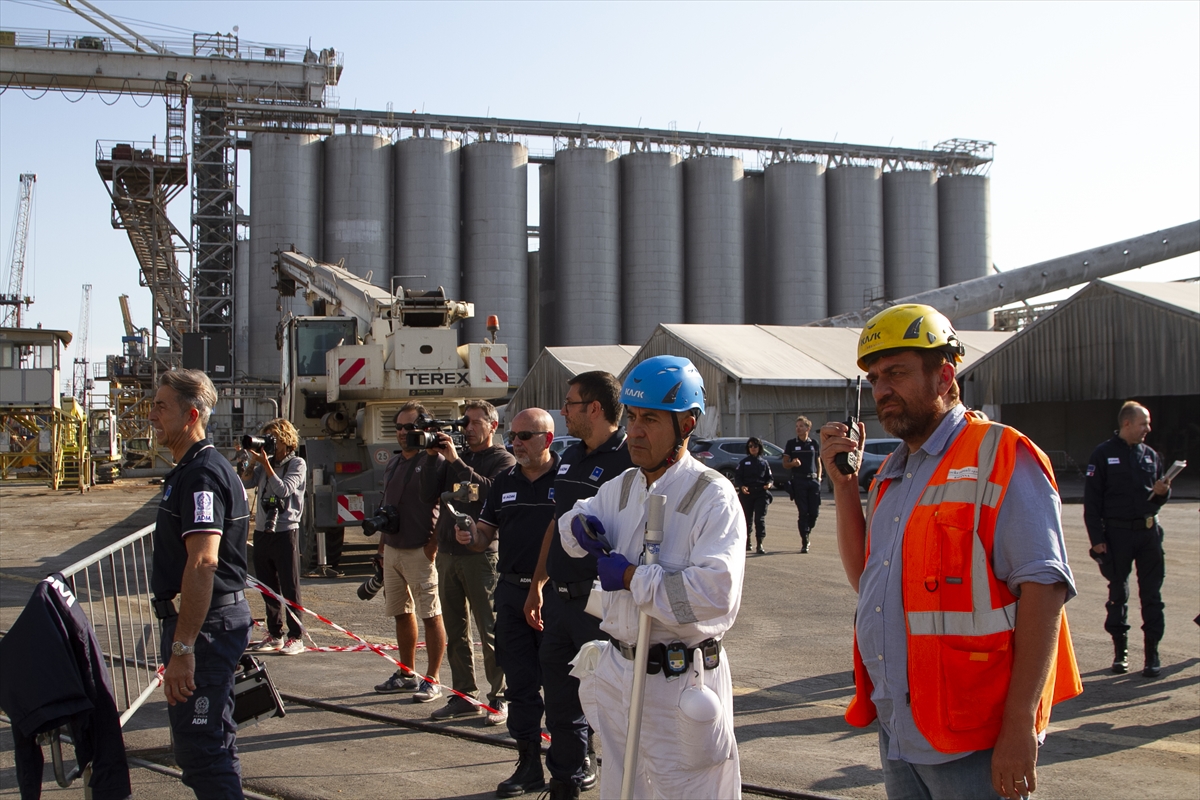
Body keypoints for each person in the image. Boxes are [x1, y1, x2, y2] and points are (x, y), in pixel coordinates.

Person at [820, 304, 1082, 800]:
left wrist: (1019, 727)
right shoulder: (893, 476)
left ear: (944, 375)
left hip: (977, 739)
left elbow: (1044, 591)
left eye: (896, 372)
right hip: (902, 728)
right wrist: (845, 487)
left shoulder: (1001, 454)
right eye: (875, 378)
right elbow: (867, 580)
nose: (882, 390)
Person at [559, 355, 745, 799]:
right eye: (635, 417)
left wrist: (631, 578)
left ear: (688, 424)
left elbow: (714, 595)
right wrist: (577, 525)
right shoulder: (623, 486)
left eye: (652, 419)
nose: (636, 431)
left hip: (680, 682)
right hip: (621, 672)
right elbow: (573, 525)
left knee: (686, 790)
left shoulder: (711, 496)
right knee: (623, 788)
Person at [526, 370, 632, 799]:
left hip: (602, 606)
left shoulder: (629, 459)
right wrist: (538, 583)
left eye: (570, 403)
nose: (564, 411)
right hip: (561, 603)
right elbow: (557, 523)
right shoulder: (569, 456)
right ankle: (566, 782)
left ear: (594, 408)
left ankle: (621, 783)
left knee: (613, 702)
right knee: (561, 701)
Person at [148, 369, 253, 798]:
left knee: (201, 752)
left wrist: (183, 648)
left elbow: (204, 562)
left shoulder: (202, 476)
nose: (151, 414)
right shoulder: (193, 469)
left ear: (191, 414)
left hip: (206, 628)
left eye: (161, 406)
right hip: (208, 623)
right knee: (210, 743)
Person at [459, 408, 559, 797]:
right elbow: (486, 533)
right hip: (513, 594)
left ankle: (575, 757)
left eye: (524, 436)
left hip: (556, 597)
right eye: (513, 435)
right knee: (520, 685)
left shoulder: (566, 480)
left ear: (547, 439)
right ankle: (529, 764)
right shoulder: (504, 481)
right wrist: (472, 536)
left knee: (564, 685)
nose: (515, 442)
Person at [418, 400, 516, 723]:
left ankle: (500, 697)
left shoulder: (502, 458)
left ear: (493, 426)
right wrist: (433, 458)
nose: (469, 429)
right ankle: (463, 694)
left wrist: (458, 462)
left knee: (489, 628)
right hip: (448, 553)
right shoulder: (451, 458)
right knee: (456, 629)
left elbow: (493, 492)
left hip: (481, 556)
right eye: (465, 423)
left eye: (475, 423)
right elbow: (426, 494)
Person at [1084, 401, 1173, 678]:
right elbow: (1092, 502)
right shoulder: (1103, 454)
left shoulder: (1150, 455)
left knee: (1152, 596)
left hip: (1148, 534)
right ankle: (1120, 653)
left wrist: (1162, 492)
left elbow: (1157, 501)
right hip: (1117, 534)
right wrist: (1097, 539)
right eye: (1144, 423)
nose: (1148, 428)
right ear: (1127, 424)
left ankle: (1151, 655)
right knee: (1118, 595)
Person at [371, 402, 447, 704]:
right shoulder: (394, 462)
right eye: (399, 427)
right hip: (393, 548)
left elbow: (447, 505)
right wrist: (381, 546)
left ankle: (433, 679)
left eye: (410, 427)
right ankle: (406, 673)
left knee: (430, 615)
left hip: (420, 549)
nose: (403, 433)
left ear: (424, 428)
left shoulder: (435, 460)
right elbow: (386, 505)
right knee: (401, 614)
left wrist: (432, 545)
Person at [239, 418, 307, 656]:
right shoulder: (264, 463)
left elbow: (284, 490)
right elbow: (245, 483)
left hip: (286, 530)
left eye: (272, 439)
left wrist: (266, 465)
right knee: (267, 585)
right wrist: (249, 461)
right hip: (262, 531)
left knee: (290, 585)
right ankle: (275, 633)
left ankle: (296, 636)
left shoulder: (297, 463)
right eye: (266, 438)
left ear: (286, 440)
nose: (268, 444)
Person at [782, 415, 822, 553]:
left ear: (808, 428)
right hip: (799, 481)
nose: (798, 429)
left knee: (814, 513)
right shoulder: (791, 444)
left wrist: (820, 477)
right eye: (797, 426)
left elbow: (818, 462)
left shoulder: (814, 444)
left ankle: (808, 528)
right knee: (803, 512)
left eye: (801, 426)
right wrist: (793, 463)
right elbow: (785, 464)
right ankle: (805, 539)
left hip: (813, 481)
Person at [733, 436, 773, 555]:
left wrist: (769, 484)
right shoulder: (744, 463)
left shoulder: (764, 463)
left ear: (759, 448)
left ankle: (760, 543)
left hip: (761, 493)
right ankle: (747, 541)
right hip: (747, 494)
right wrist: (742, 486)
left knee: (759, 519)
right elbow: (738, 477)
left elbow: (770, 478)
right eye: (750, 446)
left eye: (755, 446)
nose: (753, 448)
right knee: (747, 519)